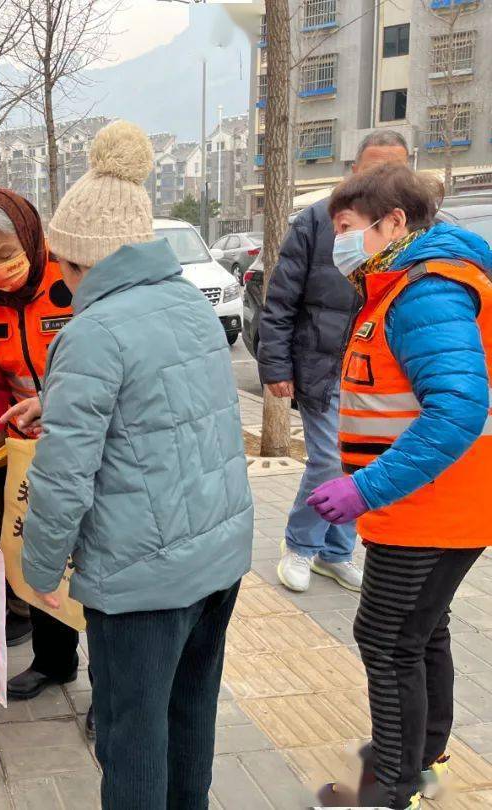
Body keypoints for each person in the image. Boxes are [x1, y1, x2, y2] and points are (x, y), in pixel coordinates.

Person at [19, 120, 253, 810]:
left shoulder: (91, 332)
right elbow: (167, 411)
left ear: (82, 260)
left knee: (131, 737)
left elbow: (64, 478)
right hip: (217, 559)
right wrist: (54, 403)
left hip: (140, 579)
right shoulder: (188, 303)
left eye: (61, 262)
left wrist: (40, 572)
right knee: (189, 720)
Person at [310, 163, 492, 810]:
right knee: (422, 632)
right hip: (434, 503)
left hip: (428, 508)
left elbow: (458, 408)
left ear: (393, 223)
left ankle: (393, 786)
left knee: (385, 640)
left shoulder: (426, 293)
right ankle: (422, 754)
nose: (341, 242)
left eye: (348, 228)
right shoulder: (402, 287)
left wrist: (366, 489)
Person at [258, 130, 410, 594]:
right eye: (375, 168)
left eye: (395, 169)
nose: (384, 178)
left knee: (362, 464)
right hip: (323, 367)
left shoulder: (415, 227)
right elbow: (280, 300)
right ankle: (301, 545)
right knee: (328, 461)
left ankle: (337, 552)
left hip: (381, 372)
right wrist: (276, 367)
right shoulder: (319, 222)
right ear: (354, 171)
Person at [0, 189, 83, 706]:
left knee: (95, 564)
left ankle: (117, 690)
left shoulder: (71, 279)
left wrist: (56, 403)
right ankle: (54, 661)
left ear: (30, 235)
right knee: (41, 555)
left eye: (5, 254)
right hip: (28, 451)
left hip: (89, 442)